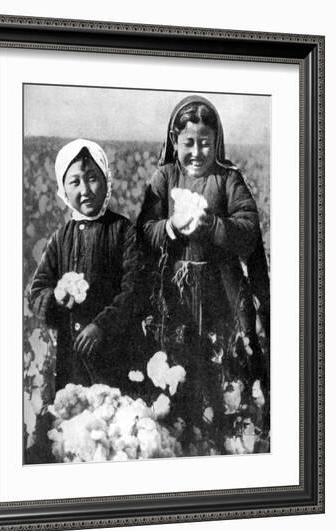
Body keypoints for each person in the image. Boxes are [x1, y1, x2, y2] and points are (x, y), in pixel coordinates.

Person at [137, 95, 270, 452]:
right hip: (175, 294)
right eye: (188, 143)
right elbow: (143, 230)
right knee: (177, 368)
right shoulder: (163, 178)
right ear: (174, 140)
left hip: (220, 295)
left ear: (217, 142)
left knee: (223, 368)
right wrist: (170, 226)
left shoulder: (228, 179)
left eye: (205, 143)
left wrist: (212, 224)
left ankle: (225, 438)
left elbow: (248, 231)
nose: (197, 152)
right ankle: (183, 438)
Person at [30, 139, 143, 392]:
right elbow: (37, 291)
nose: (85, 190)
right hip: (72, 359)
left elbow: (134, 290)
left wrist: (101, 326)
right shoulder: (61, 237)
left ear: (106, 180)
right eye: (74, 182)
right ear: (63, 190)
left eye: (92, 178)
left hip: (115, 355)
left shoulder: (123, 231)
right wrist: (56, 297)